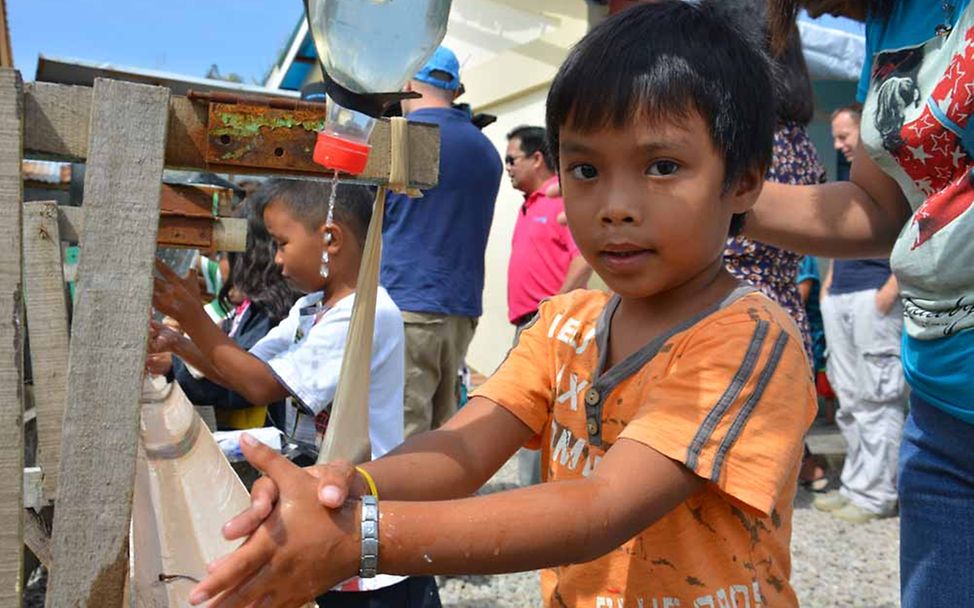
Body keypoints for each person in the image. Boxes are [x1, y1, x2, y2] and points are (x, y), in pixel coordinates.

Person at [187, 4, 816, 607]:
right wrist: (349, 485)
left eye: (662, 165)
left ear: (745, 179)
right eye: (586, 170)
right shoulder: (566, 324)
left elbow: (602, 509)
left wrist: (362, 538)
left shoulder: (745, 339)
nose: (615, 205)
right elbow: (460, 452)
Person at [757, 1, 974, 603]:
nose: (814, 9)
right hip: (942, 408)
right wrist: (715, 199)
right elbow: (880, 210)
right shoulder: (885, 23)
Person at [150, 179, 428, 605]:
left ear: (330, 239)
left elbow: (260, 386)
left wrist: (190, 313)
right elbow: (243, 372)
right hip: (325, 500)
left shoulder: (365, 313)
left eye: (282, 243)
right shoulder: (310, 307)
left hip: (362, 508)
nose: (276, 261)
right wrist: (181, 345)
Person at [380, 46, 503, 439]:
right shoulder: (486, 150)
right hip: (462, 306)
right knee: (444, 429)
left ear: (407, 83)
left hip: (408, 303)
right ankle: (443, 501)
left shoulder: (401, 140)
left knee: (401, 430)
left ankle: (403, 503)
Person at [812, 103, 906, 523]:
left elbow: (924, 230)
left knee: (878, 397)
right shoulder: (855, 181)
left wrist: (890, 291)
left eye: (844, 135)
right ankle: (855, 485)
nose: (838, 144)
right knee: (849, 398)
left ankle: (877, 495)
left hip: (875, 296)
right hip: (844, 297)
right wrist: (830, 285)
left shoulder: (899, 177)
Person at [146, 186, 301, 431]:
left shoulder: (268, 313)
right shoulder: (245, 311)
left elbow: (243, 385)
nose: (220, 265)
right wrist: (178, 347)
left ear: (249, 258)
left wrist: (175, 361)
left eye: (225, 256)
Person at [505, 125, 591, 486]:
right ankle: (530, 498)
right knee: (525, 418)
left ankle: (537, 502)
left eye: (511, 159)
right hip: (531, 324)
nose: (506, 167)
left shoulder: (560, 201)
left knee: (540, 417)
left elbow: (583, 257)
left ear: (537, 158)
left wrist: (552, 308)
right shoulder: (529, 205)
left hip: (550, 327)